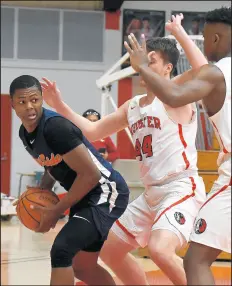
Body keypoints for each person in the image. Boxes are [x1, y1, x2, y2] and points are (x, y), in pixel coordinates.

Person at [41, 15, 209, 285]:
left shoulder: (177, 92)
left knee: (159, 249)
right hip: (151, 194)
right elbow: (92, 131)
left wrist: (178, 32)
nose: (142, 64)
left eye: (150, 60)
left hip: (181, 187)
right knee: (109, 248)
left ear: (168, 68)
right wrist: (59, 104)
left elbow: (204, 70)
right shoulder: (132, 106)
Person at [124, 6, 231, 285]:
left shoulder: (217, 73)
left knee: (194, 260)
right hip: (157, 190)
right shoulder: (134, 107)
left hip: (190, 183)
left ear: (216, 39)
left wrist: (142, 67)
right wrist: (180, 32)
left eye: (206, 38)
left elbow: (173, 94)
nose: (205, 44)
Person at [10, 75, 129, 286]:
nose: (29, 107)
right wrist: (41, 191)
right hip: (84, 192)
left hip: (105, 190)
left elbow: (91, 175)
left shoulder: (56, 128)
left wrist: (57, 210)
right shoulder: (25, 133)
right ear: (13, 105)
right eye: (22, 102)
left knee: (61, 251)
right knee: (83, 267)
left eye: (35, 100)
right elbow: (51, 164)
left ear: (41, 100)